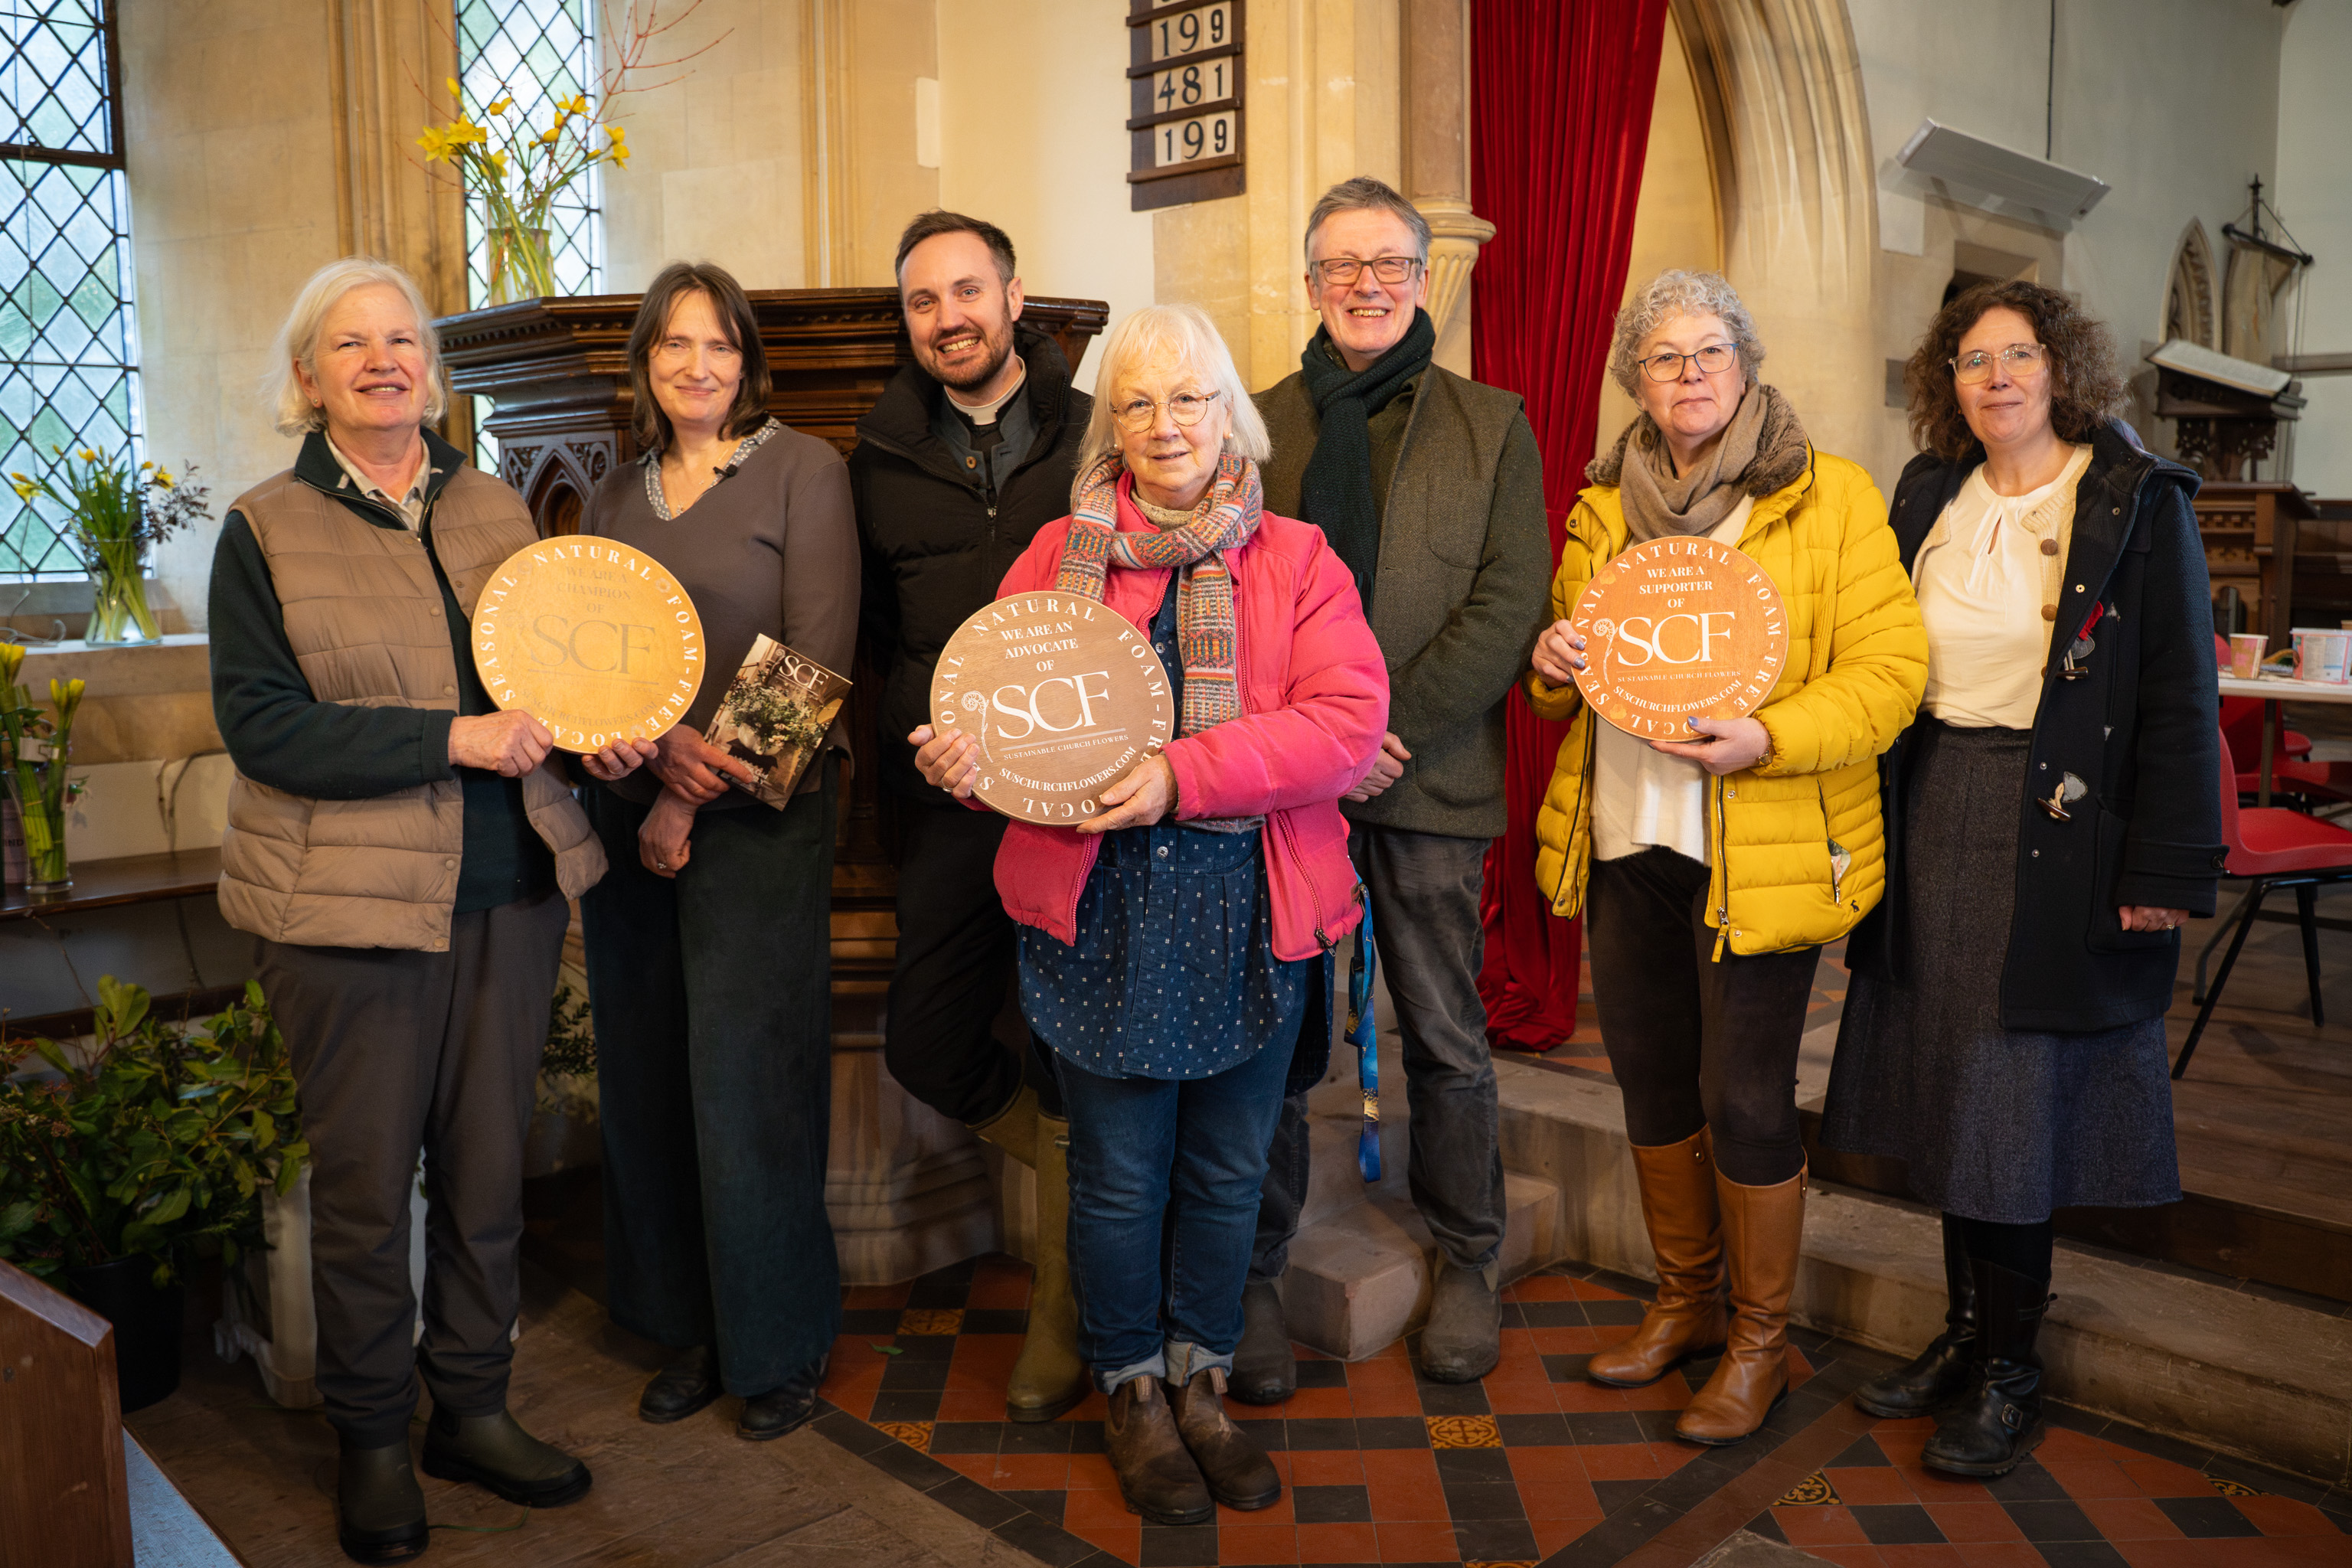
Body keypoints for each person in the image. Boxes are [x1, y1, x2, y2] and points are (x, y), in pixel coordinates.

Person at [910, 303, 1387, 1524]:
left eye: (1190, 399)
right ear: (1109, 427)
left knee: (1228, 1174)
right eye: (1138, 402)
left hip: (1251, 911)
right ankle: (1131, 1388)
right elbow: (993, 710)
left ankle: (1202, 1377)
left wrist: (1184, 774)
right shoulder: (1050, 560)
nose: (1166, 424)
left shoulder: (1298, 556)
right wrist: (961, 756)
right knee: (1118, 1181)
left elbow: (1344, 727)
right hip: (1099, 913)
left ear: (1231, 415)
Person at [211, 257, 655, 1563]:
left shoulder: (496, 508)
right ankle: (368, 1437)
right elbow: (265, 728)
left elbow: (548, 682)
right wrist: (450, 741)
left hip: (508, 896)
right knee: (364, 1193)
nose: (385, 360)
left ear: (432, 368)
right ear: (310, 378)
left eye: (403, 340)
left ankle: (471, 1408)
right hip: (347, 918)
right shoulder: (264, 528)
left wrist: (596, 738)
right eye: (352, 345)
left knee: (482, 1179)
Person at [1823, 281, 2221, 1477]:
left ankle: (2011, 1368)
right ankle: (1961, 1335)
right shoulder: (1926, 494)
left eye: (2020, 354)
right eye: (1972, 358)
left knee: (2009, 1102)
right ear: (1946, 381)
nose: (1997, 376)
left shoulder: (2133, 499)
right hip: (1931, 804)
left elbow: (2177, 692)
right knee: (1950, 1085)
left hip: (2057, 825)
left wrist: (2163, 867)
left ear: (2064, 369)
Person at [1524, 270, 1926, 1446]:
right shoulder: (1603, 507)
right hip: (1629, 835)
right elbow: (1571, 683)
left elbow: (1891, 676)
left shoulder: (1830, 497)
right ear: (1634, 382)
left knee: (1743, 1098)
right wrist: (1554, 667)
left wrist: (1770, 736)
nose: (1688, 373)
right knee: (1651, 1086)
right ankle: (1686, 1304)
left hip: (1766, 842)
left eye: (1709, 352)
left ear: (1747, 367)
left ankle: (1763, 1342)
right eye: (1662, 357)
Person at [1238, 175, 1551, 1396]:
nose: (1367, 284)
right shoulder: (1259, 424)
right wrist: (1320, 744)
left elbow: (1508, 598)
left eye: (1390, 264)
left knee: (1445, 1030)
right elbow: (1240, 604)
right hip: (1289, 785)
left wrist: (1381, 730)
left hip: (1429, 767)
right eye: (1341, 266)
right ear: (1309, 284)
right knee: (1270, 1031)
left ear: (1426, 279)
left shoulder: (1493, 422)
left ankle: (1468, 1255)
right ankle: (1253, 1268)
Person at [574, 262, 859, 1442]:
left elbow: (816, 657)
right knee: (649, 1077)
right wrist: (621, 755)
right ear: (647, 364)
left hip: (758, 822)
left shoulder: (805, 471)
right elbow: (585, 658)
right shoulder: (610, 494)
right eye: (675, 345)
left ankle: (776, 1343)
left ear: (750, 361)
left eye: (720, 346)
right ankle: (688, 1325)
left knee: (749, 1087)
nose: (699, 366)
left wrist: (685, 794)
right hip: (628, 814)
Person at [850, 211, 1093, 1421]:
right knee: (926, 1041)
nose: (948, 317)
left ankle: (1063, 1315)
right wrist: (912, 734)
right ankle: (1074, 1166)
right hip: (948, 800)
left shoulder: (1093, 435)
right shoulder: (879, 453)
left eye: (966, 291)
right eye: (922, 302)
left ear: (1012, 295)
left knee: (1065, 1046)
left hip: (1077, 804)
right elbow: (867, 633)